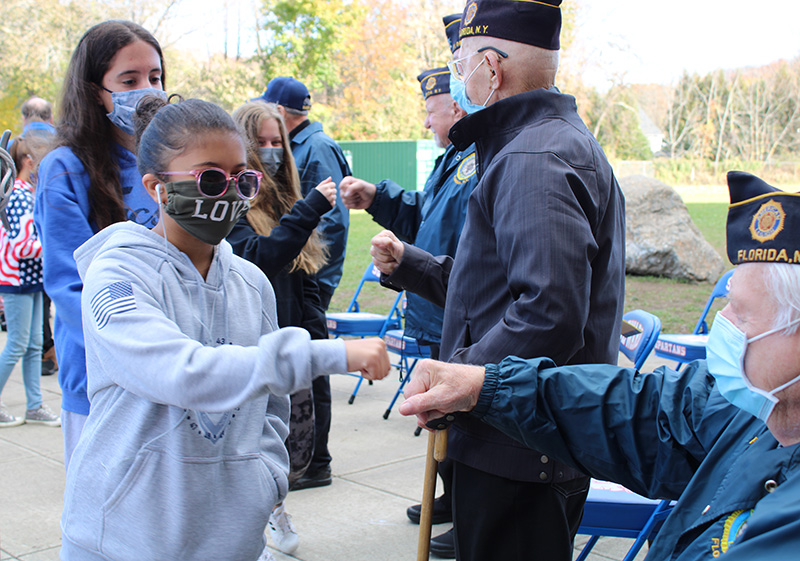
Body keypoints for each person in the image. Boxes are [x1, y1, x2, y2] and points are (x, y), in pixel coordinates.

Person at [400, 171, 800, 561]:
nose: (722, 323)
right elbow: (641, 413)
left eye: (743, 315)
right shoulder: (756, 410)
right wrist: (484, 386)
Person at [60, 94, 390, 560]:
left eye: (243, 178)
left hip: (229, 543)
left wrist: (265, 480)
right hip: (121, 539)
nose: (230, 192)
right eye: (210, 178)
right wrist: (328, 354)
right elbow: (180, 372)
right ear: (156, 186)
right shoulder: (116, 276)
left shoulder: (251, 284)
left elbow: (271, 410)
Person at [370, 1, 626, 559]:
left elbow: (548, 312)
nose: (458, 78)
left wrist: (460, 380)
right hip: (511, 428)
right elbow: (492, 290)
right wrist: (411, 264)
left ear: (491, 67)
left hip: (519, 438)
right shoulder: (528, 144)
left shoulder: (534, 154)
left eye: (461, 65)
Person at [339, 63, 477, 557]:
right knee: (445, 419)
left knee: (467, 419)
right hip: (437, 302)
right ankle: (453, 497)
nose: (425, 123)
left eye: (430, 111)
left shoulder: (482, 156)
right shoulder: (454, 155)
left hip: (460, 310)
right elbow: (426, 213)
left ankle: (472, 514)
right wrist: (377, 197)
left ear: (456, 105)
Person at [35, 20, 165, 471]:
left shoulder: (170, 165)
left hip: (171, 368)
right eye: (128, 81)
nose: (147, 90)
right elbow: (71, 288)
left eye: (155, 77)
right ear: (94, 90)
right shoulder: (64, 169)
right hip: (100, 375)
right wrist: (138, 349)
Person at [230, 100, 337, 556]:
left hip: (293, 333)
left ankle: (273, 509)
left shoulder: (286, 198)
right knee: (252, 443)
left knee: (289, 443)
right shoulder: (231, 201)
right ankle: (255, 525)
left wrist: (316, 339)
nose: (272, 151)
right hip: (253, 342)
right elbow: (261, 254)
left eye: (279, 142)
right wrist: (310, 209)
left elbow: (303, 270)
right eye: (262, 143)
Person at [256, 76, 352, 490]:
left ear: (281, 112)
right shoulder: (299, 147)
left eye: (276, 140)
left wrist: (319, 282)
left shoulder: (316, 148)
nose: (273, 150)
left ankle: (315, 460)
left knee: (313, 371)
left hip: (306, 278)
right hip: (292, 278)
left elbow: (332, 220)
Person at [0, 137, 61, 428]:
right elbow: (22, 246)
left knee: (35, 345)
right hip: (17, 280)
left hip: (30, 279)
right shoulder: (20, 196)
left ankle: (35, 405)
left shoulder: (25, 193)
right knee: (18, 344)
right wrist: (52, 244)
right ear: (29, 162)